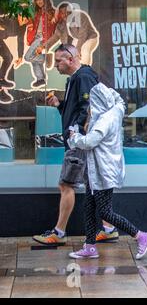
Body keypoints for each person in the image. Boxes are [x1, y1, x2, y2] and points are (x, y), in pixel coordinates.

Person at [32, 44, 117, 246]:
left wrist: (75, 132)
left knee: (66, 184)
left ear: (70, 59)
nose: (55, 66)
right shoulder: (76, 78)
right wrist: (59, 105)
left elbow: (89, 109)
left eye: (59, 61)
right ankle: (109, 228)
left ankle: (58, 233)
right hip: (79, 140)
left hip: (78, 142)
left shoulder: (83, 77)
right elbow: (78, 108)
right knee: (92, 185)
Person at [68, 83, 147, 260]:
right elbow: (119, 100)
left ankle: (140, 236)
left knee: (105, 212)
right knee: (89, 207)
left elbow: (90, 142)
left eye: (92, 103)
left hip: (103, 172)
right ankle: (90, 246)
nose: (90, 108)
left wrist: (74, 138)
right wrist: (104, 89)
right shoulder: (116, 109)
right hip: (95, 171)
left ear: (97, 103)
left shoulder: (103, 121)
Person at [24, 0, 56, 88]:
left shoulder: (51, 12)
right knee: (34, 61)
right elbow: (29, 22)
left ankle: (45, 58)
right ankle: (40, 79)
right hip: (35, 37)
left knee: (27, 57)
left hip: (42, 38)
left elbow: (55, 26)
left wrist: (47, 42)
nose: (39, 2)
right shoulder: (36, 12)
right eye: (37, 0)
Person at [0, 13, 27, 103]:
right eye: (22, 18)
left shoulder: (22, 27)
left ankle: (1, 80)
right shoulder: (11, 18)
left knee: (8, 57)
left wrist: (20, 56)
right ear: (18, 16)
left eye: (25, 20)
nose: (23, 21)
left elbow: (20, 41)